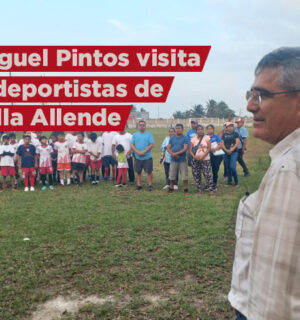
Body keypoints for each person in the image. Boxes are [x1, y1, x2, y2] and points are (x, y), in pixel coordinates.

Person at [228, 47, 300, 320]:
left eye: (263, 95)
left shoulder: (289, 167)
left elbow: (274, 301)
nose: (250, 105)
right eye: (251, 94)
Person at [189, 125, 214, 196]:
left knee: (207, 175)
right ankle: (199, 190)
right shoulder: (193, 139)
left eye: (201, 129)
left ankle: (211, 191)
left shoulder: (207, 138)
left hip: (205, 159)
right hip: (195, 160)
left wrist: (203, 156)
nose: (200, 131)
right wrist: (194, 157)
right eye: (198, 129)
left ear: (203, 130)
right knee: (197, 175)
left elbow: (209, 148)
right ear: (196, 131)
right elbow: (190, 150)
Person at [131, 120, 154, 191]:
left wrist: (144, 151)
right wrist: (137, 152)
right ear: (138, 126)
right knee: (138, 172)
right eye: (140, 125)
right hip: (138, 157)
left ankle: (150, 185)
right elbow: (132, 145)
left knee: (149, 171)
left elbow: (151, 144)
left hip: (147, 156)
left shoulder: (149, 134)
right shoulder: (135, 135)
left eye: (143, 125)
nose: (142, 126)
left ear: (145, 126)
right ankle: (139, 185)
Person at [167, 123, 189, 194]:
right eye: (176, 128)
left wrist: (175, 154)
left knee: (184, 175)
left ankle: (186, 189)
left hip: (182, 160)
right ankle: (171, 188)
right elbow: (169, 147)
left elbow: (185, 148)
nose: (178, 130)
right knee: (172, 175)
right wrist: (172, 154)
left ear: (182, 130)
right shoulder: (172, 138)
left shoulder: (185, 138)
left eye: (179, 128)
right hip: (173, 160)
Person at [206, 124, 224, 190]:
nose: (209, 130)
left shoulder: (216, 137)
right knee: (207, 170)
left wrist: (215, 149)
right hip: (207, 156)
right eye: (208, 128)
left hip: (216, 156)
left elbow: (220, 145)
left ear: (213, 129)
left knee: (215, 170)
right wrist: (210, 149)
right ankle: (208, 184)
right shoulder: (205, 137)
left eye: (211, 128)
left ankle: (214, 184)